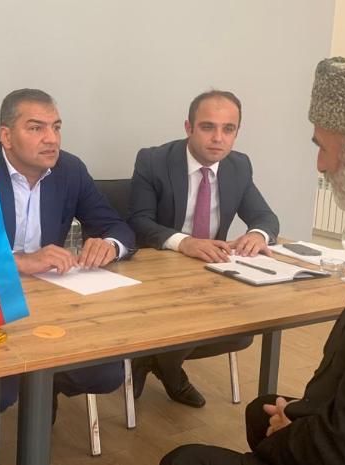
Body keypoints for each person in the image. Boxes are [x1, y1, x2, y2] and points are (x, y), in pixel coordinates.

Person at [161, 57, 345, 465]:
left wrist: (293, 434)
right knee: (262, 411)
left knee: (184, 459)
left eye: (322, 148)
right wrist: (303, 414)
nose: (319, 165)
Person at [0, 88, 136, 438]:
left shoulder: (70, 170)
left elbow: (117, 227)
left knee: (106, 373)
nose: (52, 139)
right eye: (36, 128)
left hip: (50, 301)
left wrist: (109, 246)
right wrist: (18, 261)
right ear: (6, 136)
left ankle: (43, 387)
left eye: (56, 127)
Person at [127, 90, 279, 407]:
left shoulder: (238, 166)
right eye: (208, 127)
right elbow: (139, 222)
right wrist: (185, 242)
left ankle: (157, 360)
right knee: (187, 324)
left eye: (228, 129)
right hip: (157, 276)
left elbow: (265, 217)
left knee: (241, 334)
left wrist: (257, 234)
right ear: (189, 127)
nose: (218, 138)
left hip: (209, 275)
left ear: (237, 132)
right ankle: (169, 369)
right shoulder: (153, 161)